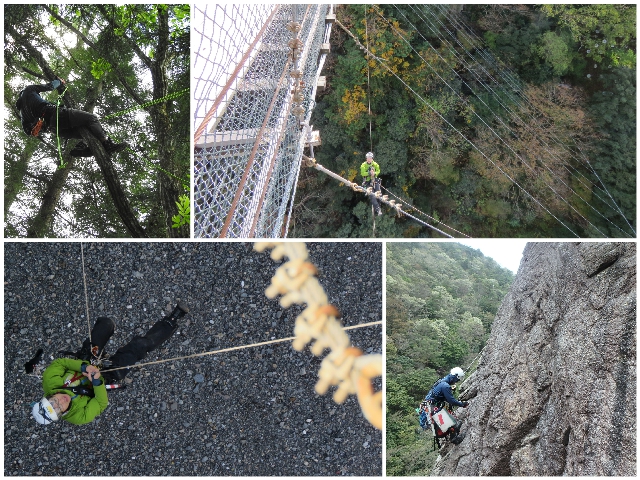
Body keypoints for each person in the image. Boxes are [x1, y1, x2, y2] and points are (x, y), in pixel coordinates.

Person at [31, 302, 189, 425]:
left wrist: (84, 367)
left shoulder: (49, 380)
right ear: (60, 415)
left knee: (106, 324)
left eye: (54, 401)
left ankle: (109, 328)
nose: (60, 402)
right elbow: (101, 403)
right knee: (140, 347)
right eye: (58, 409)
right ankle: (171, 320)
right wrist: (97, 380)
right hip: (103, 378)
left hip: (85, 361)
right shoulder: (79, 417)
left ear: (50, 396)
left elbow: (60, 364)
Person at [15, 77, 126, 157]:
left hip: (55, 129)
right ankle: (107, 145)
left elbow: (27, 130)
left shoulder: (22, 114)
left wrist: (38, 126)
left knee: (90, 130)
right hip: (55, 114)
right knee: (91, 119)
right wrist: (59, 82)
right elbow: (48, 86)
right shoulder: (28, 90)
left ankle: (83, 148)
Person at [422, 367, 469, 445]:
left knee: (452, 421)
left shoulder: (442, 381)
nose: (456, 382)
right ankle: (454, 439)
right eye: (457, 380)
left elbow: (443, 397)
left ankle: (455, 431)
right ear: (454, 377)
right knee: (451, 423)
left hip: (429, 406)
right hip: (431, 407)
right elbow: (451, 401)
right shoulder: (445, 386)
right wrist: (462, 404)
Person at [360, 152, 382, 216]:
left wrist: (374, 173)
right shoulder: (363, 165)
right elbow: (362, 173)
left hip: (374, 180)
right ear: (366, 158)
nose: (369, 159)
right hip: (367, 182)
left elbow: (378, 171)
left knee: (378, 193)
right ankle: (377, 209)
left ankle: (379, 206)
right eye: (368, 158)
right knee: (372, 195)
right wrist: (369, 173)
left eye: (370, 158)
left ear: (372, 158)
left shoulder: (375, 164)